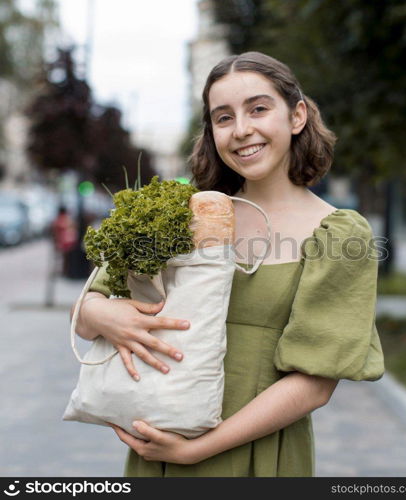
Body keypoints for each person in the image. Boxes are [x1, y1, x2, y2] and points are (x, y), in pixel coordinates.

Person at [72, 51, 384, 477]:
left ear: (297, 117)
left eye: (258, 109)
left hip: (260, 455)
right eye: (223, 117)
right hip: (161, 445)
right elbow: (87, 311)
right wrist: (102, 313)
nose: (241, 130)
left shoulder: (340, 235)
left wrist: (198, 451)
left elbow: (315, 383)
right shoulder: (179, 212)